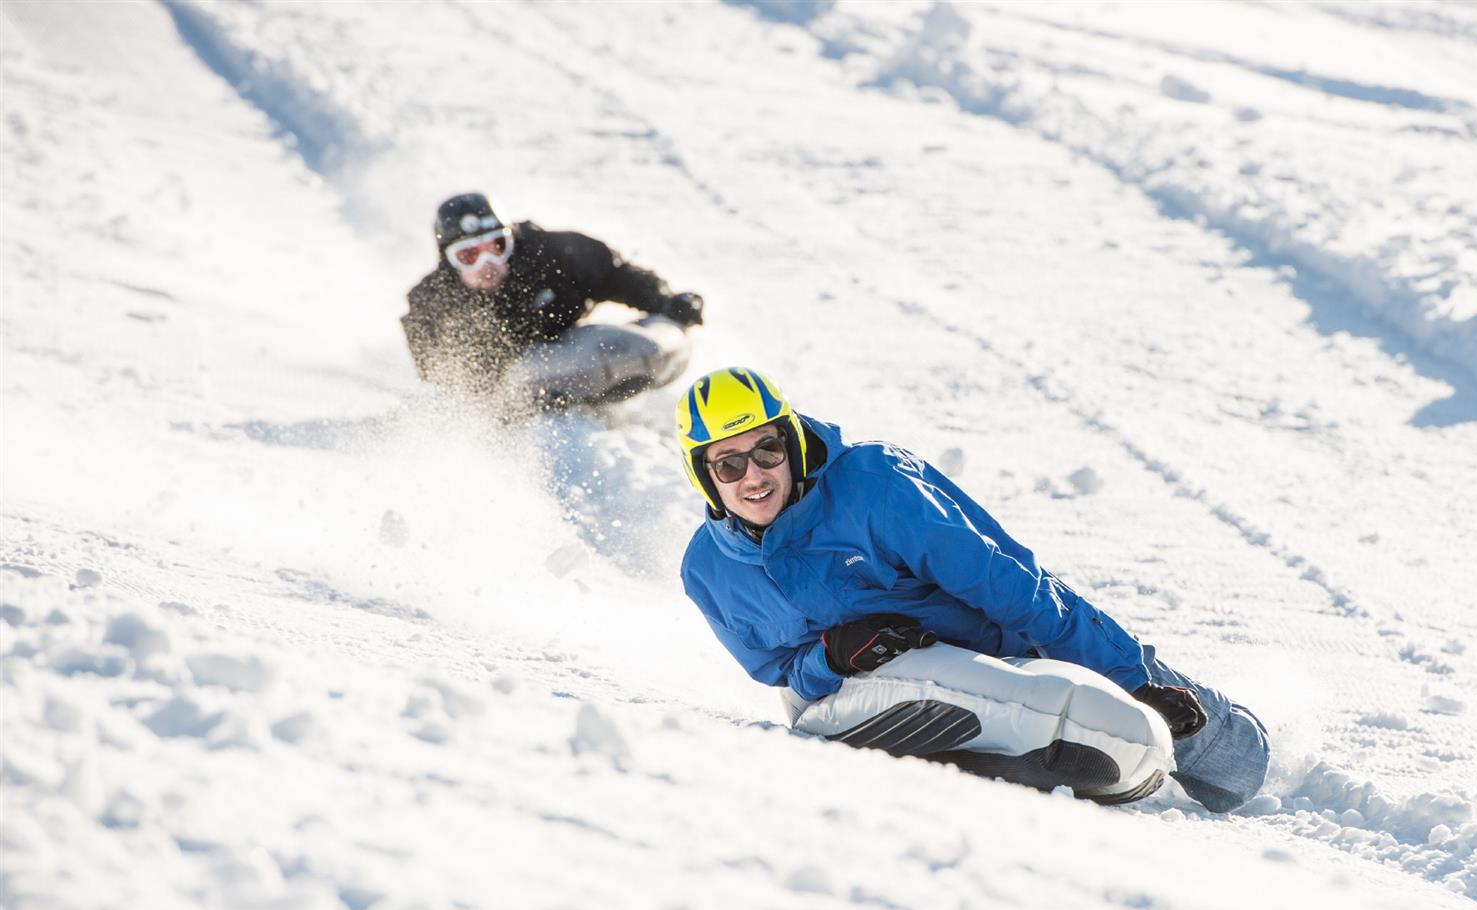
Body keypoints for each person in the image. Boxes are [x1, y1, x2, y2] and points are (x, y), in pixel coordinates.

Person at [675, 367, 1271, 811]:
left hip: (1013, 644)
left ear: (792, 444)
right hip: (862, 689)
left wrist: (1131, 680)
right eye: (729, 465)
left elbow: (1013, 589)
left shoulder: (875, 489)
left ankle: (1210, 733)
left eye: (767, 450)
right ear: (704, 477)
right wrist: (833, 656)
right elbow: (781, 672)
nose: (754, 475)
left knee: (1235, 769)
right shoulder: (709, 571)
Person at [401, 192, 704, 414]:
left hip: (573, 348)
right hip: (512, 383)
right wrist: (495, 389)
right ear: (449, 261)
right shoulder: (434, 303)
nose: (487, 263)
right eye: (469, 255)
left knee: (647, 346)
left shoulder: (550, 255)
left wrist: (667, 302)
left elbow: (615, 274)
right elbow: (438, 371)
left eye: (497, 246)